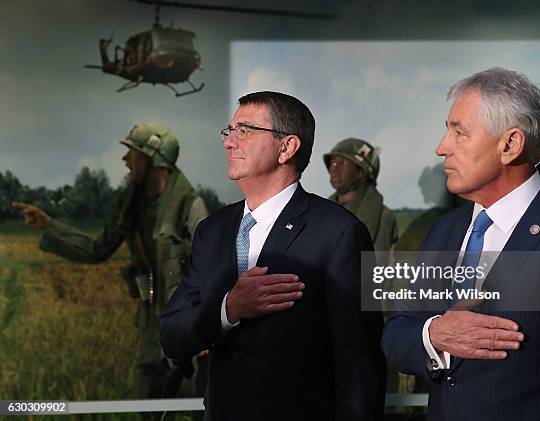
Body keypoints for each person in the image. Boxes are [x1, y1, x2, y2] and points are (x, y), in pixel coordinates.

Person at [382, 67, 540, 421]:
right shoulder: (443, 231)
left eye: (459, 133)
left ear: (510, 145)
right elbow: (397, 336)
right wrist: (435, 334)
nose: (442, 148)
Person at [159, 91, 386, 421]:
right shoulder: (212, 231)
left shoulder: (342, 233)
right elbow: (171, 335)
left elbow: (361, 364)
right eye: (230, 131)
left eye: (245, 130)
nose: (229, 142)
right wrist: (228, 309)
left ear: (287, 147)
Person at [13, 123, 208, 401]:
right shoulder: (130, 205)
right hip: (152, 323)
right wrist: (48, 225)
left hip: (187, 324)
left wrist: (208, 325)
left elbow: (211, 269)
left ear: (154, 158)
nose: (125, 160)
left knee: (193, 399)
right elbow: (97, 249)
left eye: (133, 153)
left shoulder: (190, 206)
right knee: (147, 396)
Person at [324, 138, 397, 251]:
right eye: (333, 162)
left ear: (361, 172)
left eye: (343, 163)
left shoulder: (383, 218)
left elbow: (375, 265)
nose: (334, 168)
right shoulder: (322, 211)